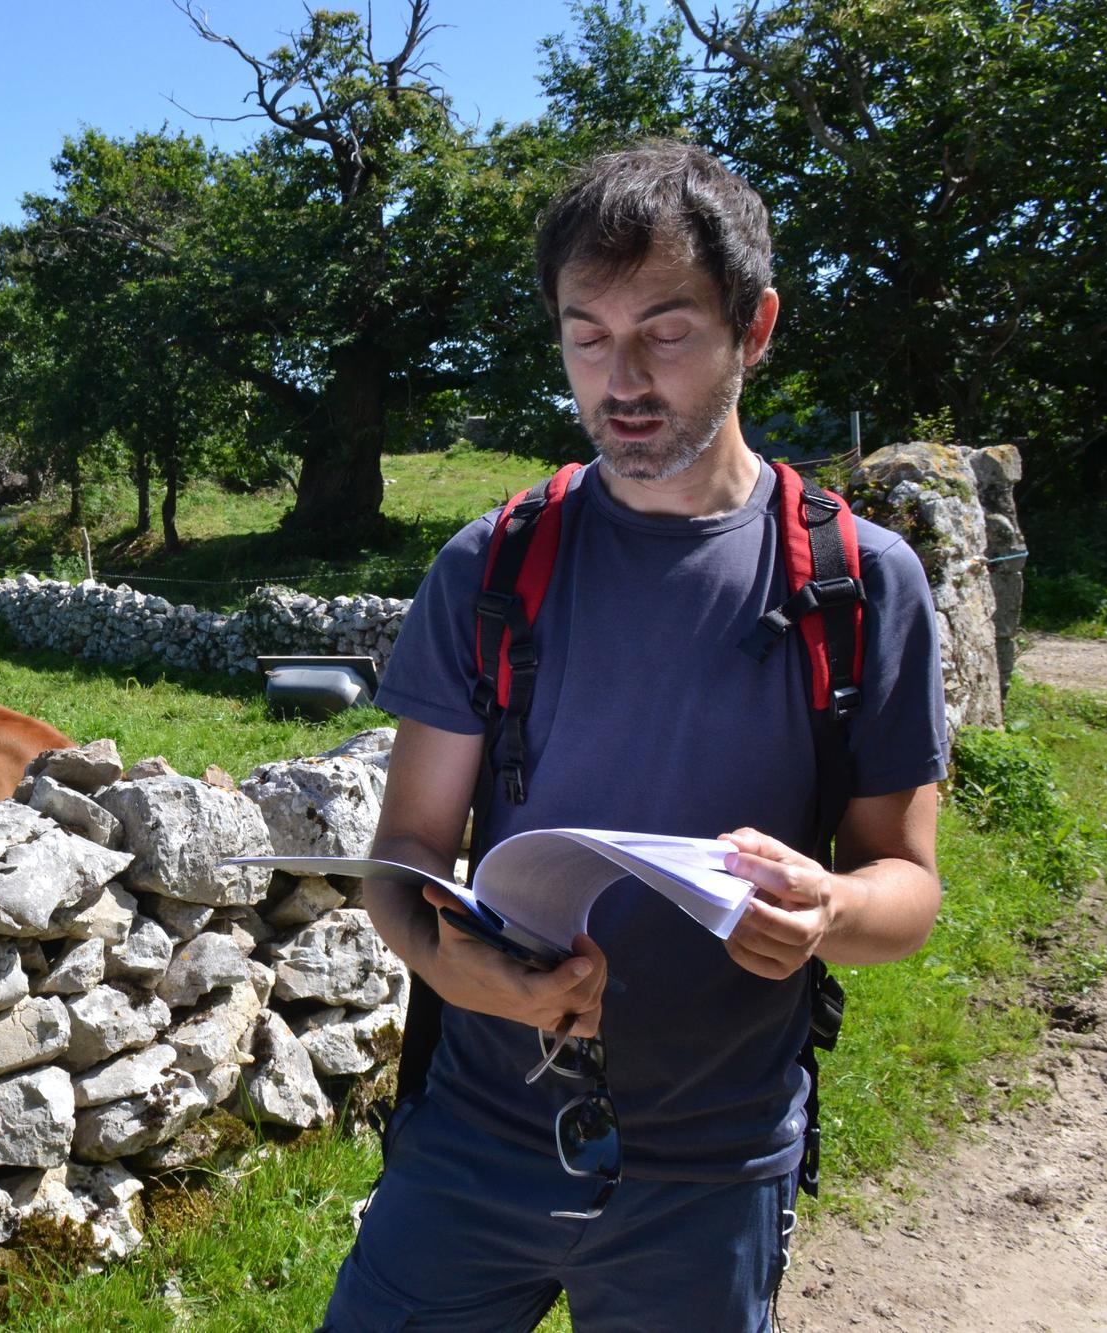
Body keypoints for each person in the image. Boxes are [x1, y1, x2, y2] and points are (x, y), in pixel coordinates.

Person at [320, 140, 947, 1332]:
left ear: (752, 327)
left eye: (665, 329)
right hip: (472, 1137)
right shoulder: (490, 564)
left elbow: (905, 889)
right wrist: (453, 966)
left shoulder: (862, 585)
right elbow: (401, 854)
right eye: (584, 334)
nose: (620, 379)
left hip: (713, 1167)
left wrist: (827, 913)